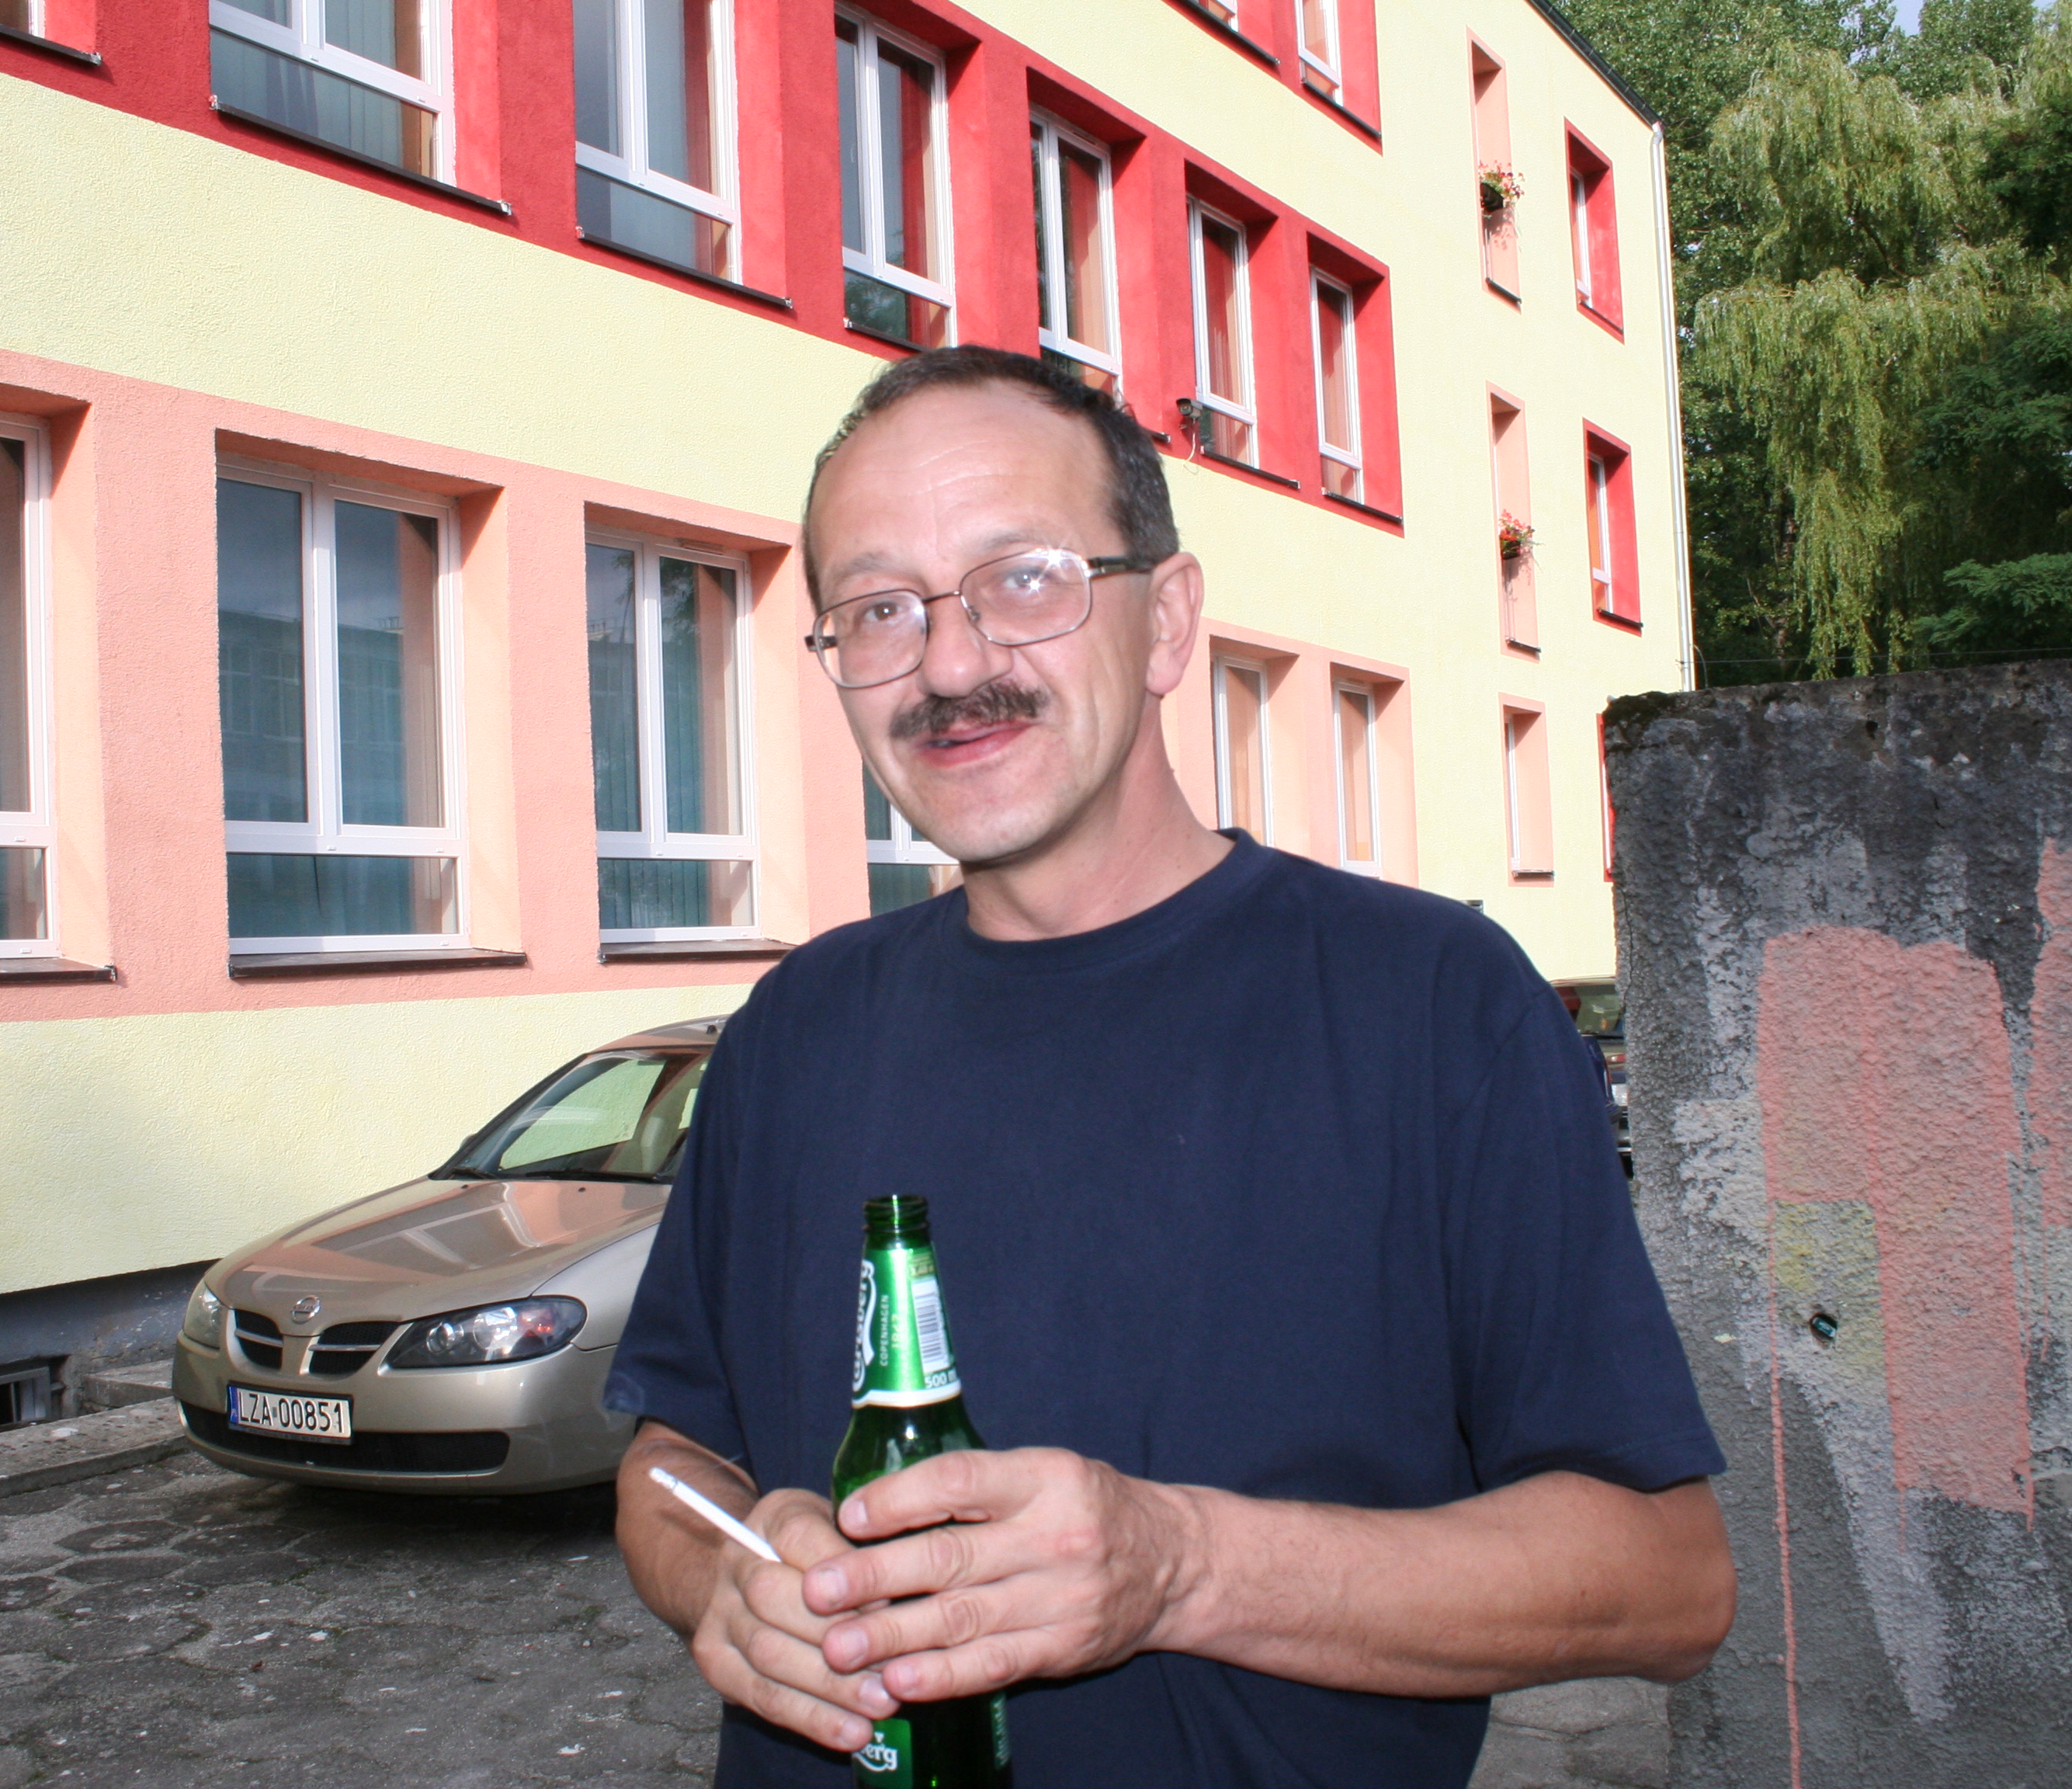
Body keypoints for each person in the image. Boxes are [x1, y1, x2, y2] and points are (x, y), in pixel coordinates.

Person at [606, 346, 1734, 1787]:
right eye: (880, 609)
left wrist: (1180, 1566)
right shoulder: (790, 1034)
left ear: (1168, 621)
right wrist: (727, 1576)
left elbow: (1666, 1581)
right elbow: (670, 1464)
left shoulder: (1435, 1008)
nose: (948, 666)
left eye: (1023, 579)